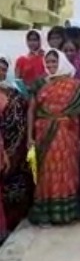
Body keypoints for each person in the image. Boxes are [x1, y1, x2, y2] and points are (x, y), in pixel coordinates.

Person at [27, 50, 80, 226]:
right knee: (46, 172)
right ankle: (46, 213)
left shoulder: (75, 85)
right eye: (48, 63)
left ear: (61, 62)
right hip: (44, 135)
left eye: (54, 62)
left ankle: (66, 213)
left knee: (67, 171)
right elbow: (32, 110)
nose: (51, 66)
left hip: (67, 135)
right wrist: (29, 137)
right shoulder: (39, 83)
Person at [0, 61, 33, 239]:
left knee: (17, 183)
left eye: (4, 69)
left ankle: (12, 223)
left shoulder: (15, 91)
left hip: (17, 146)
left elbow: (26, 113)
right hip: (2, 145)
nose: (1, 72)